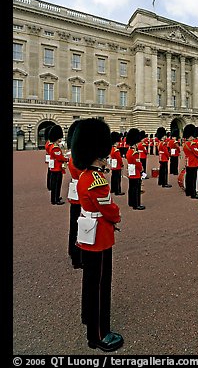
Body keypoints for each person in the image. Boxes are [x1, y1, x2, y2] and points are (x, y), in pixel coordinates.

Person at [71, 117, 124, 352]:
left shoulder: (84, 176)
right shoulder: (97, 181)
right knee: (101, 284)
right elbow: (110, 210)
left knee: (90, 281)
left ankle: (88, 317)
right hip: (100, 237)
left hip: (87, 233)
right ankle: (99, 334)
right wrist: (117, 218)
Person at [66, 120, 84, 269]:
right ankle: (78, 257)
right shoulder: (77, 160)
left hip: (75, 194)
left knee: (74, 224)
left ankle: (73, 251)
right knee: (80, 225)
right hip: (81, 195)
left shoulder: (73, 156)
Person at [126, 128, 145, 210]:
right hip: (136, 171)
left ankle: (131, 202)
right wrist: (142, 170)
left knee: (131, 187)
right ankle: (136, 204)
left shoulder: (129, 151)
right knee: (136, 189)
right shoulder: (135, 152)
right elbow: (138, 163)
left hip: (131, 171)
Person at [48, 124, 68, 205]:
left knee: (54, 185)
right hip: (57, 168)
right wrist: (67, 159)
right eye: (59, 138)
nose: (60, 139)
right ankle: (56, 199)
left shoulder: (53, 146)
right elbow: (60, 158)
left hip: (54, 168)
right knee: (57, 185)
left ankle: (54, 198)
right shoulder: (55, 148)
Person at [182, 123, 198, 199]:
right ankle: (193, 193)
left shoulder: (185, 144)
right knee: (193, 179)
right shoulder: (192, 144)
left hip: (188, 162)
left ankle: (188, 192)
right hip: (193, 163)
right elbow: (197, 153)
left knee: (188, 178)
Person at [109, 131, 125, 196]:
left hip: (113, 164)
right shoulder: (116, 150)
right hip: (117, 165)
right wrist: (122, 164)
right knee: (117, 179)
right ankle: (117, 191)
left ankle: (113, 189)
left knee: (113, 177)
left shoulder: (111, 148)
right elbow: (119, 159)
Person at [44, 125, 54, 191]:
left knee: (50, 173)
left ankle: (49, 185)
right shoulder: (50, 144)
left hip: (50, 159)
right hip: (53, 160)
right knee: (52, 174)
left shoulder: (48, 142)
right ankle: (51, 186)